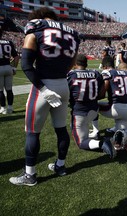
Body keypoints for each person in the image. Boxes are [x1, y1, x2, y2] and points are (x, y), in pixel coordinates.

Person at [9, 7, 80, 186]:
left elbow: (26, 65)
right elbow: (72, 64)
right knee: (61, 128)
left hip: (43, 87)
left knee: (32, 132)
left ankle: (30, 175)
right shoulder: (71, 34)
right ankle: (60, 166)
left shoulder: (37, 27)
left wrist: (45, 89)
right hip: (63, 85)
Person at [67, 54, 116, 158]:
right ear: (86, 63)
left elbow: (65, 94)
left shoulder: (71, 75)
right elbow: (102, 93)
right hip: (94, 111)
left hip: (79, 113)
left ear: (75, 64)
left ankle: (102, 143)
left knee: (81, 142)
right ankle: (95, 131)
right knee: (81, 127)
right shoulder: (95, 73)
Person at [0, 28, 19, 114]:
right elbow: (16, 56)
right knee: (9, 89)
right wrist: (14, 67)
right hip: (8, 67)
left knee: (0, 90)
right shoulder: (9, 42)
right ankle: (10, 108)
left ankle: (3, 108)